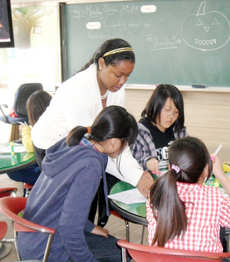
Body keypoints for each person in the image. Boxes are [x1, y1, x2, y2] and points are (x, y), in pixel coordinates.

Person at [30, 38, 153, 225]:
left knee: (85, 197)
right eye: (118, 74)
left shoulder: (117, 90)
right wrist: (136, 178)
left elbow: (116, 139)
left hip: (84, 146)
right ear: (101, 63)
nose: (122, 81)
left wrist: (138, 172)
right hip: (51, 146)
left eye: (127, 76)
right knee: (66, 205)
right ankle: (63, 245)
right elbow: (95, 146)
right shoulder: (76, 90)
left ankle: (83, 236)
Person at [17, 105, 138, 262]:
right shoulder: (89, 165)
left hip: (32, 239)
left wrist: (89, 227)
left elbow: (62, 205)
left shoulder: (73, 143)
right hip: (48, 249)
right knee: (125, 256)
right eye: (126, 143)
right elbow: (69, 231)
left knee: (114, 246)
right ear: (114, 142)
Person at [147, 136, 230, 252]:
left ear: (169, 167)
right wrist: (220, 175)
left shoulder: (155, 194)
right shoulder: (214, 198)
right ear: (206, 170)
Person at [131, 84, 188, 175]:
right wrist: (148, 161)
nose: (171, 116)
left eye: (176, 112)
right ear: (156, 106)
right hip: (150, 183)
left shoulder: (179, 130)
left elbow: (188, 152)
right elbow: (133, 162)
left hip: (173, 181)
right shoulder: (141, 132)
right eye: (167, 110)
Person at [6, 90, 52, 186]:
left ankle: (28, 193)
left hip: (46, 175)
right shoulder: (53, 123)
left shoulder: (39, 130)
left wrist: (25, 130)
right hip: (53, 166)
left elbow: (29, 146)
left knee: (13, 172)